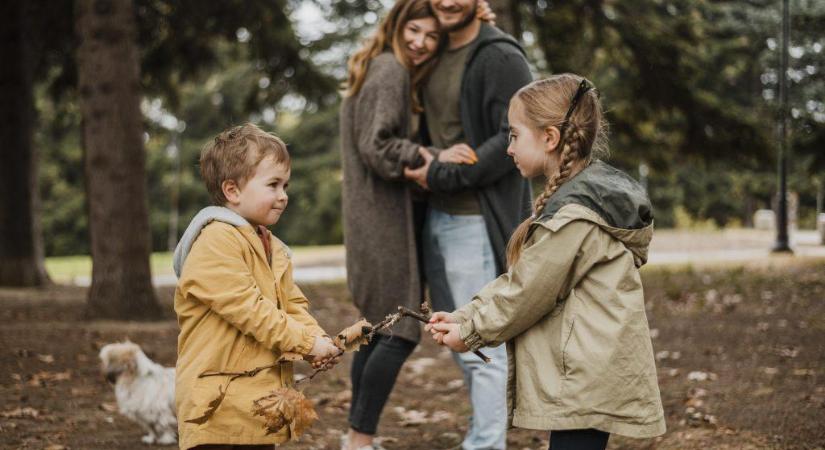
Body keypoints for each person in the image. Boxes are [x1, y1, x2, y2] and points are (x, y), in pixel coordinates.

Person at [427, 74, 667, 450]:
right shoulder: (576, 203)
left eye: (514, 135)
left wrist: (471, 333)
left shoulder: (575, 215)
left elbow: (526, 293)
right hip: (586, 368)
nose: (508, 148)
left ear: (550, 138)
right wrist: (463, 315)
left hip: (584, 372)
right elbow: (520, 280)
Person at [339, 1, 493, 449]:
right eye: (414, 30)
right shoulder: (389, 70)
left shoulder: (386, 67)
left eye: (431, 37)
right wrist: (430, 156)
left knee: (375, 330)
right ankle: (359, 439)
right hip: (381, 224)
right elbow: (378, 145)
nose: (421, 43)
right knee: (399, 331)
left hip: (378, 220)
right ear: (396, 22)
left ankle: (356, 438)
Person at [403, 1, 533, 448]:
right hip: (437, 216)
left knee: (481, 343)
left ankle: (485, 443)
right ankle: (484, 433)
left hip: (475, 221)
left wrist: (441, 173)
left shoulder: (501, 56)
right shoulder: (435, 51)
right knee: (453, 336)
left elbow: (510, 137)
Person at [172, 123, 340, 450]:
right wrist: (306, 343)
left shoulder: (272, 247)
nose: (283, 196)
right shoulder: (215, 240)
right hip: (216, 405)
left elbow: (292, 306)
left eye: (286, 185)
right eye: (273, 185)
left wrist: (318, 339)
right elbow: (251, 311)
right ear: (232, 190)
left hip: (258, 399)